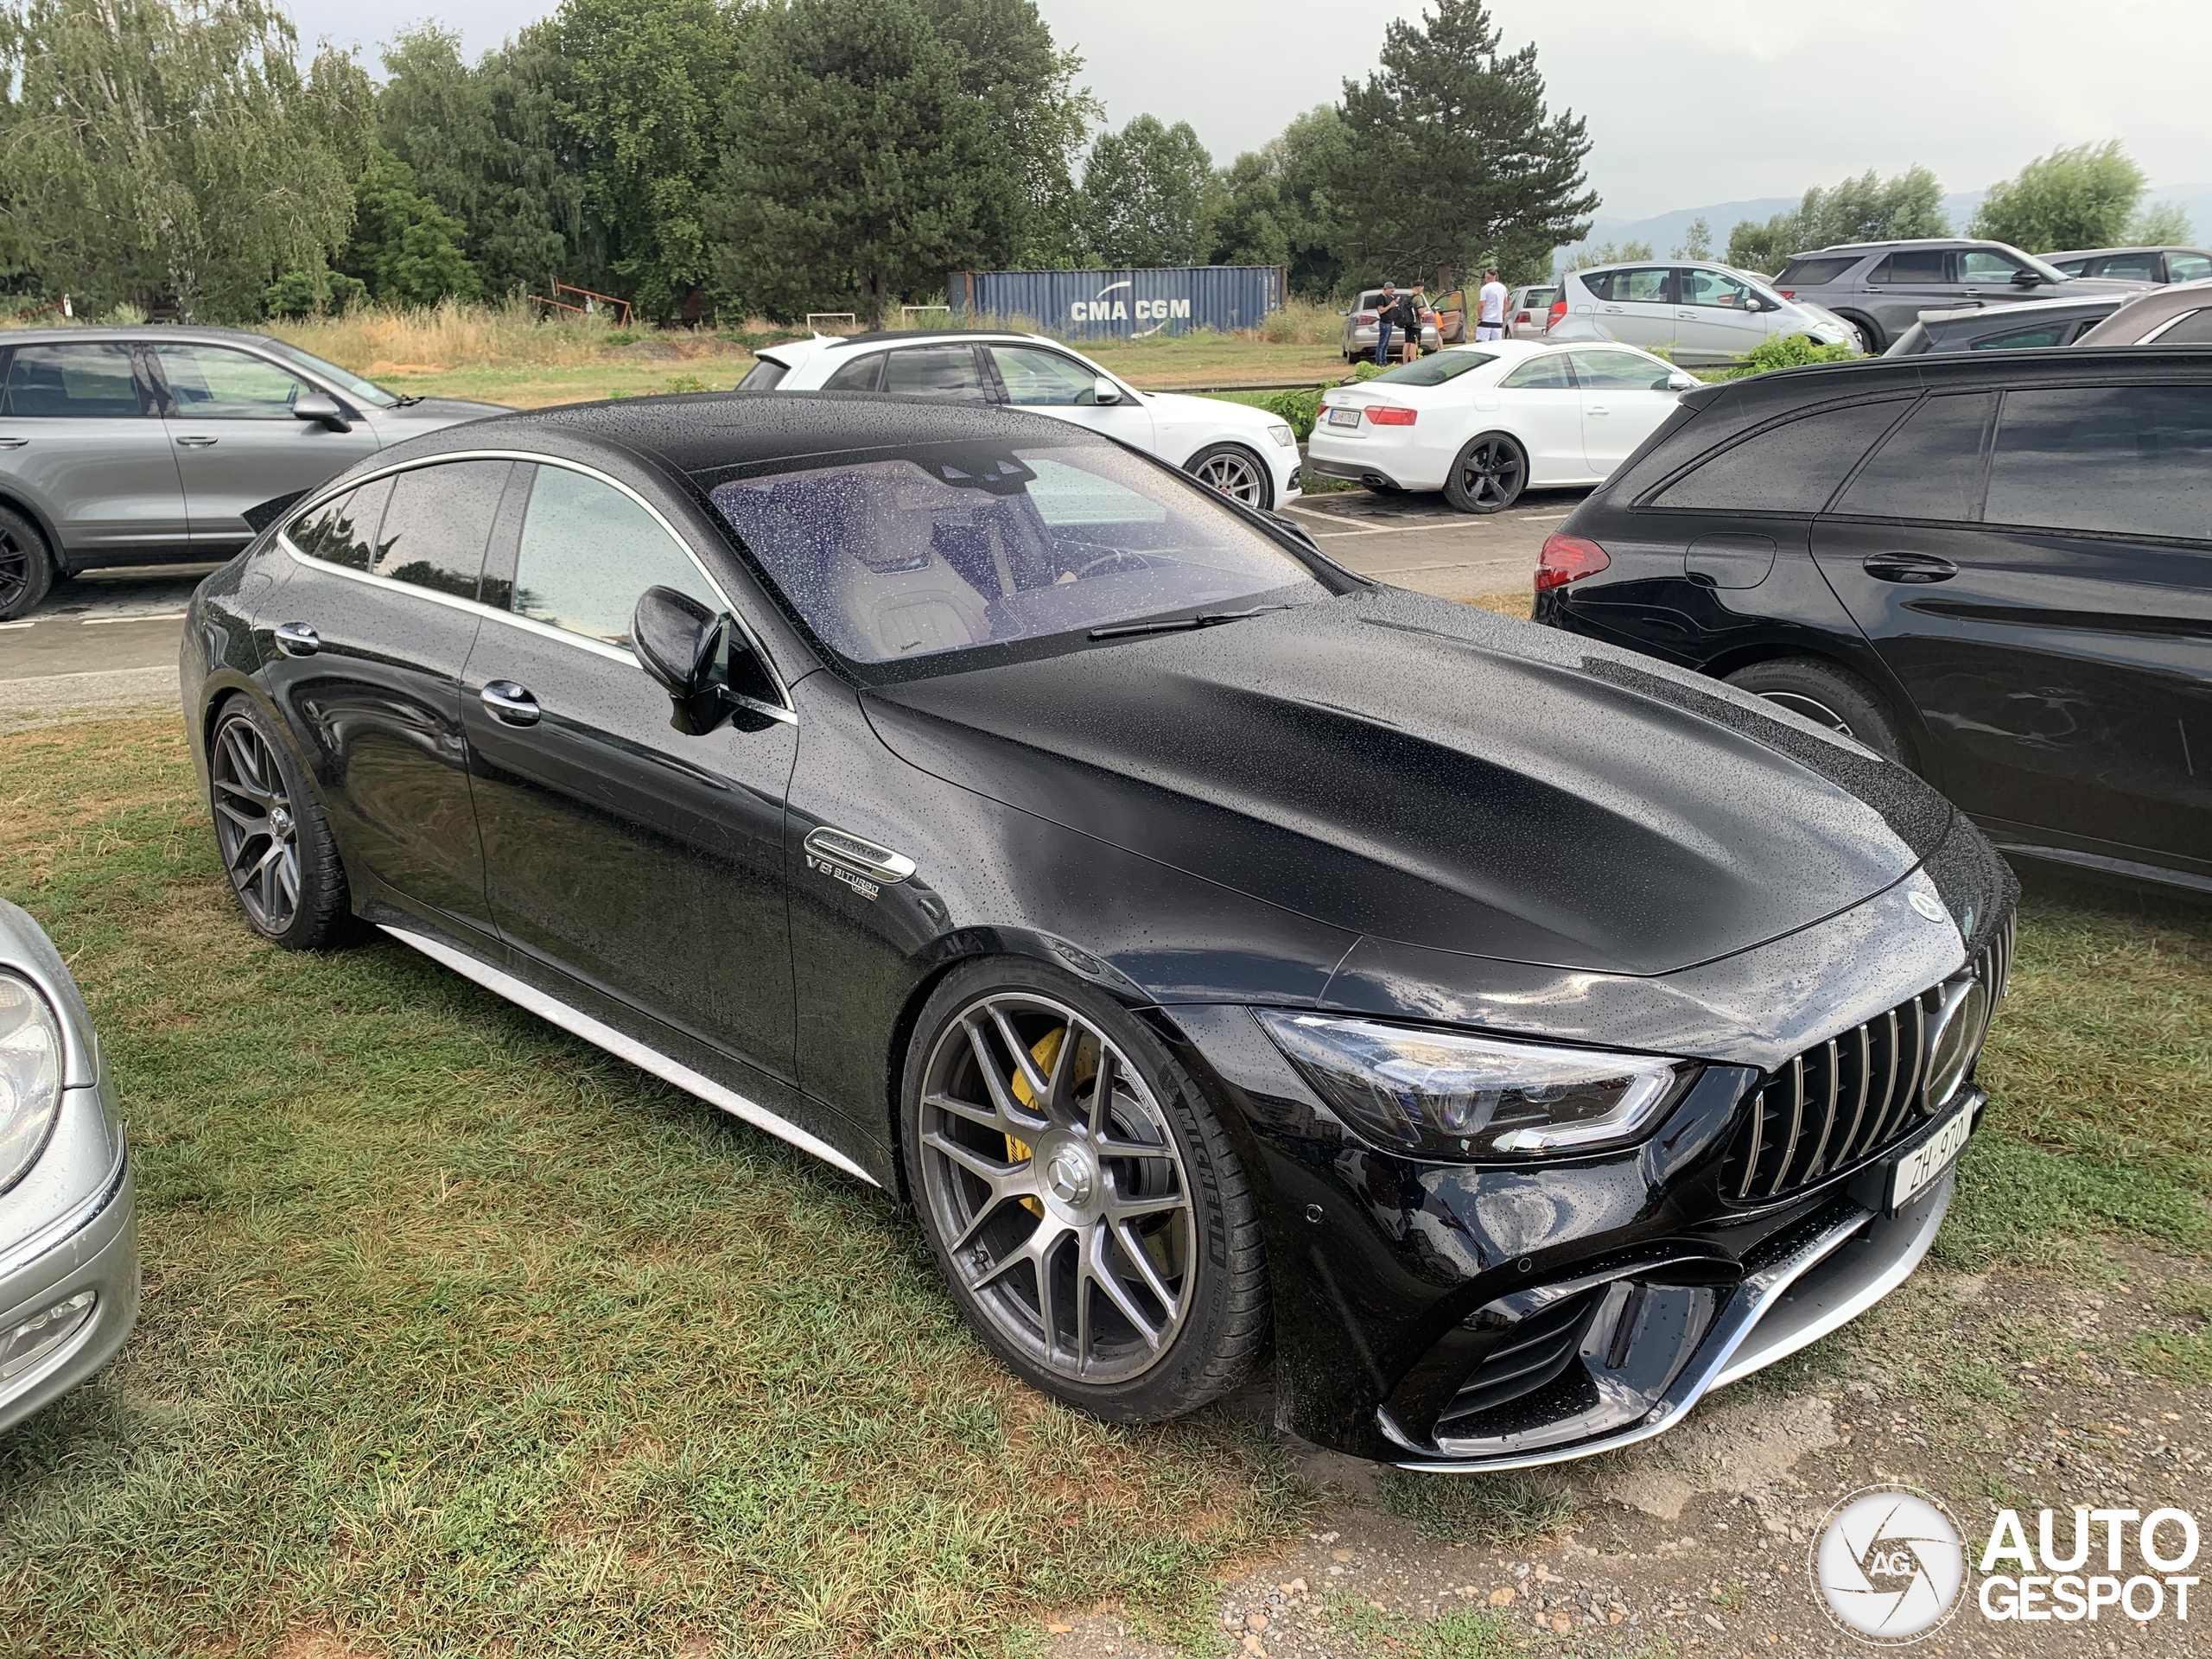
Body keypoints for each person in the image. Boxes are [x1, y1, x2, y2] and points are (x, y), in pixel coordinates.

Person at [1373, 282, 1402, 366]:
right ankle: (1379, 362)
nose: (1392, 293)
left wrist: (1395, 303)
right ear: (1387, 288)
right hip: (1384, 323)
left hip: (1390, 323)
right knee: (1382, 343)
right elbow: (1381, 310)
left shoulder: (1389, 298)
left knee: (1386, 344)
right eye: (1391, 291)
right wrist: (1390, 305)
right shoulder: (1380, 298)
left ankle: (1384, 360)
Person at [1477, 270, 1508, 341]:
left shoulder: (1485, 288)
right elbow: (1506, 303)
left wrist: (1480, 317)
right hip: (1498, 321)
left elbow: (1482, 305)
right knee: (1496, 345)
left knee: (1482, 344)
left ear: (1488, 278)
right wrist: (1503, 316)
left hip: (1486, 321)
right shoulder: (1503, 288)